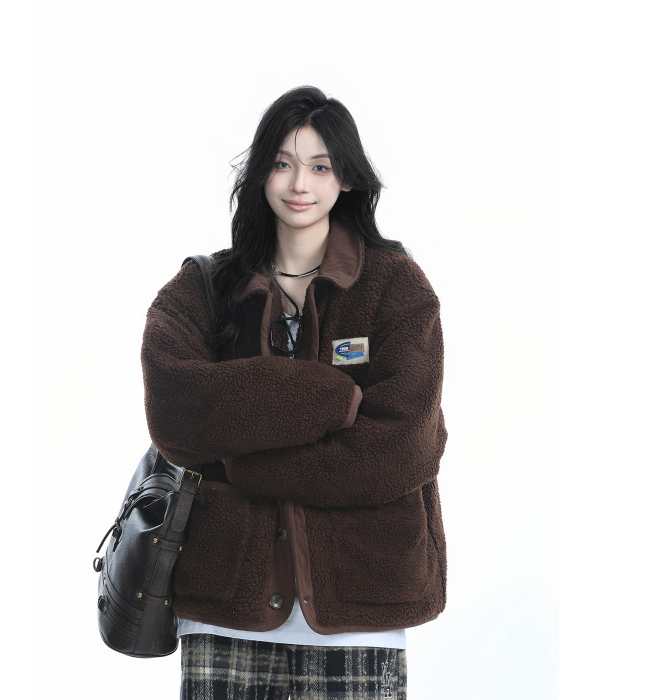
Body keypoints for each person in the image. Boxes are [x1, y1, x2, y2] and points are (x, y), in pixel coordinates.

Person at [141, 86, 448, 700]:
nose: (299, 183)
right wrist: (329, 397)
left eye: (320, 166)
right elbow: (175, 411)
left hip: (360, 609)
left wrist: (243, 460)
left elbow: (400, 449)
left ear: (347, 179)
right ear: (261, 173)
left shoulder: (397, 288)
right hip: (225, 608)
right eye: (283, 163)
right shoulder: (204, 287)